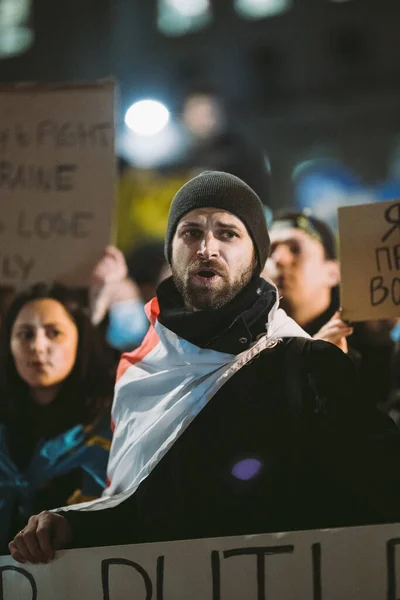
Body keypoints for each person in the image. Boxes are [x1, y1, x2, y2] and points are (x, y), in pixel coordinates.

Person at [9, 172, 400, 564]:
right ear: (171, 251)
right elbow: (144, 511)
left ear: (256, 256)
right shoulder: (137, 376)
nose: (207, 247)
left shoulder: (307, 366)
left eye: (228, 233)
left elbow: (379, 501)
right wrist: (71, 525)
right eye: (190, 232)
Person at [0, 283, 115, 553]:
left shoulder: (112, 425)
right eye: (25, 334)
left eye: (54, 333)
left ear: (81, 339)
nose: (38, 347)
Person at [264, 212, 395, 405]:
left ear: (333, 272)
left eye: (294, 249)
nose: (279, 259)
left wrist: (380, 348)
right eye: (270, 251)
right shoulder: (245, 346)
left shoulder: (370, 343)